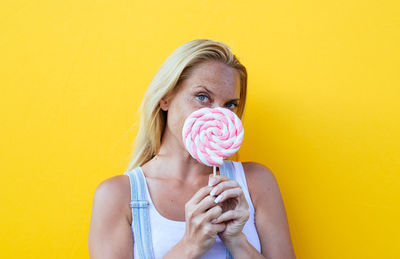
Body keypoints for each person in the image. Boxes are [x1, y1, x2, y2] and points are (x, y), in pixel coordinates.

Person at [88, 39, 296, 258]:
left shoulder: (256, 182)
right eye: (202, 97)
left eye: (229, 105)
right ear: (165, 98)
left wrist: (237, 241)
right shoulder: (117, 196)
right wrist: (189, 245)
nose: (218, 115)